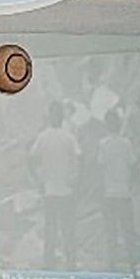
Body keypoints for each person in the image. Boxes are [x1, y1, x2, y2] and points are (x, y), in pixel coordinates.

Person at [29, 101, 81, 269]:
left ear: (50, 116)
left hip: (50, 191)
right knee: (68, 230)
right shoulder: (68, 137)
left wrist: (38, 181)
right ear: (61, 116)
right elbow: (80, 160)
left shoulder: (43, 137)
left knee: (51, 230)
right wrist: (75, 180)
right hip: (66, 192)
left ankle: (49, 263)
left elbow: (31, 160)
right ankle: (70, 262)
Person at [98, 109, 140, 268]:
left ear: (107, 125)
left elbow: (100, 168)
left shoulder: (103, 144)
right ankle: (131, 262)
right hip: (124, 194)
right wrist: (131, 185)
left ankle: (113, 264)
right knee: (127, 230)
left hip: (109, 194)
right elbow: (134, 167)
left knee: (111, 232)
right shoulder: (126, 143)